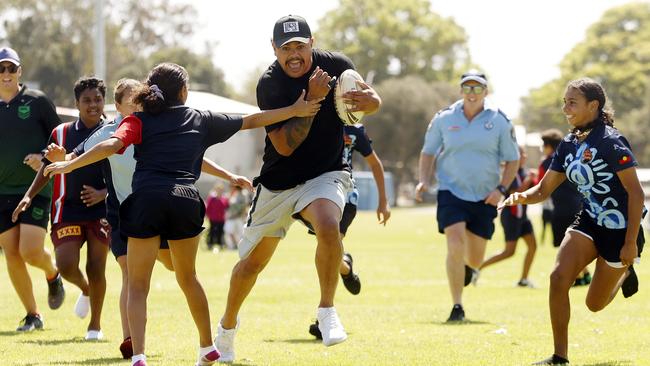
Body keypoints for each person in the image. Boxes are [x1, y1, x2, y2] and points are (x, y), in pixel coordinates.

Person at [43, 62, 322, 366]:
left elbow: (111, 145)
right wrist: (295, 110)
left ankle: (138, 355)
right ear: (185, 92)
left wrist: (69, 165)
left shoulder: (138, 120)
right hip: (186, 200)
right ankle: (206, 346)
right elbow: (251, 120)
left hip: (147, 199)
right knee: (188, 278)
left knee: (137, 284)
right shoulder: (199, 118)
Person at [214, 14, 381, 361]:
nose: (293, 54)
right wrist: (312, 104)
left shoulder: (337, 66)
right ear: (274, 49)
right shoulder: (270, 84)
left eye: (300, 46)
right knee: (251, 265)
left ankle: (327, 311)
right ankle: (226, 329)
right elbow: (286, 147)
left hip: (326, 172)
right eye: (285, 47)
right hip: (279, 182)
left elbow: (369, 100)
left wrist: (373, 102)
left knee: (329, 225)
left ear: (312, 43)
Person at [500, 78, 645, 365]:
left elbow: (636, 194)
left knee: (594, 305)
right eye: (564, 101)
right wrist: (520, 196)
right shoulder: (567, 144)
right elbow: (542, 190)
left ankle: (625, 273)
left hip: (620, 231)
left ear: (594, 106)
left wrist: (630, 242)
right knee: (558, 278)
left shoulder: (611, 142)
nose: (565, 108)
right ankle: (559, 356)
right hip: (588, 221)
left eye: (572, 102)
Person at [415, 70, 519, 322]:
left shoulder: (499, 121)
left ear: (486, 92)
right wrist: (423, 180)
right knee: (454, 242)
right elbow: (428, 152)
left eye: (477, 88)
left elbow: (513, 159)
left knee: (474, 258)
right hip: (451, 190)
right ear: (461, 91)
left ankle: (471, 270)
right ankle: (457, 306)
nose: (472, 93)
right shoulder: (444, 118)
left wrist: (501, 190)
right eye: (467, 88)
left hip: (486, 196)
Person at [13, 76, 109, 339]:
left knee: (96, 266)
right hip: (66, 208)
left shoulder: (114, 130)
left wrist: (104, 193)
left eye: (98, 99)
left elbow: (127, 172)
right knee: (66, 265)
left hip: (102, 210)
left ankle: (95, 326)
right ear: (76, 103)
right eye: (87, 100)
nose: (93, 105)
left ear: (104, 101)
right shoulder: (61, 133)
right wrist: (28, 196)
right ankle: (86, 289)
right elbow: (47, 167)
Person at [0, 46, 65, 331]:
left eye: (11, 69)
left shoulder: (37, 101)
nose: (5, 75)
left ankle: (52, 274)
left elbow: (59, 139)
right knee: (12, 254)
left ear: (20, 71)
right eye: (1, 69)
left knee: (29, 250)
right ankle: (33, 314)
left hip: (36, 187)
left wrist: (42, 155)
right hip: (2, 192)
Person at [308, 123, 391, 339]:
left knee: (327, 246)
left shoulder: (355, 131)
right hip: (316, 196)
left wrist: (383, 200)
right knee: (328, 250)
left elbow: (374, 163)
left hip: (346, 195)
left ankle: (324, 318)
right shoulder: (314, 121)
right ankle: (345, 267)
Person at [538, 129, 591, 286]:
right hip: (579, 205)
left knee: (565, 247)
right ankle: (584, 275)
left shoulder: (547, 162)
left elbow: (541, 188)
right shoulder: (573, 156)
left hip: (561, 209)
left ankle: (577, 277)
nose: (542, 148)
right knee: (574, 244)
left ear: (549, 146)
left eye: (543, 145)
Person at [479, 146, 537, 287]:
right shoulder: (511, 174)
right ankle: (476, 268)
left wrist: (534, 181)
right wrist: (529, 181)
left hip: (522, 216)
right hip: (511, 216)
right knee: (509, 252)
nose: (525, 156)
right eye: (522, 154)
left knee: (533, 246)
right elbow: (514, 194)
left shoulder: (523, 171)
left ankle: (523, 280)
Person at [223, 184, 247, 250]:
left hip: (238, 217)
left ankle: (239, 246)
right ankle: (234, 246)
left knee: (240, 233)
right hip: (231, 217)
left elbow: (243, 206)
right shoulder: (233, 194)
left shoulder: (242, 194)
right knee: (229, 231)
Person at [205, 183, 228, 251]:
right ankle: (210, 244)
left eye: (220, 189)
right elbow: (208, 208)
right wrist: (207, 215)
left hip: (221, 219)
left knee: (220, 232)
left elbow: (226, 207)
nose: (219, 191)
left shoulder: (224, 198)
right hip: (213, 218)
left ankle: (220, 244)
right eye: (218, 189)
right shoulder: (212, 198)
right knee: (212, 231)